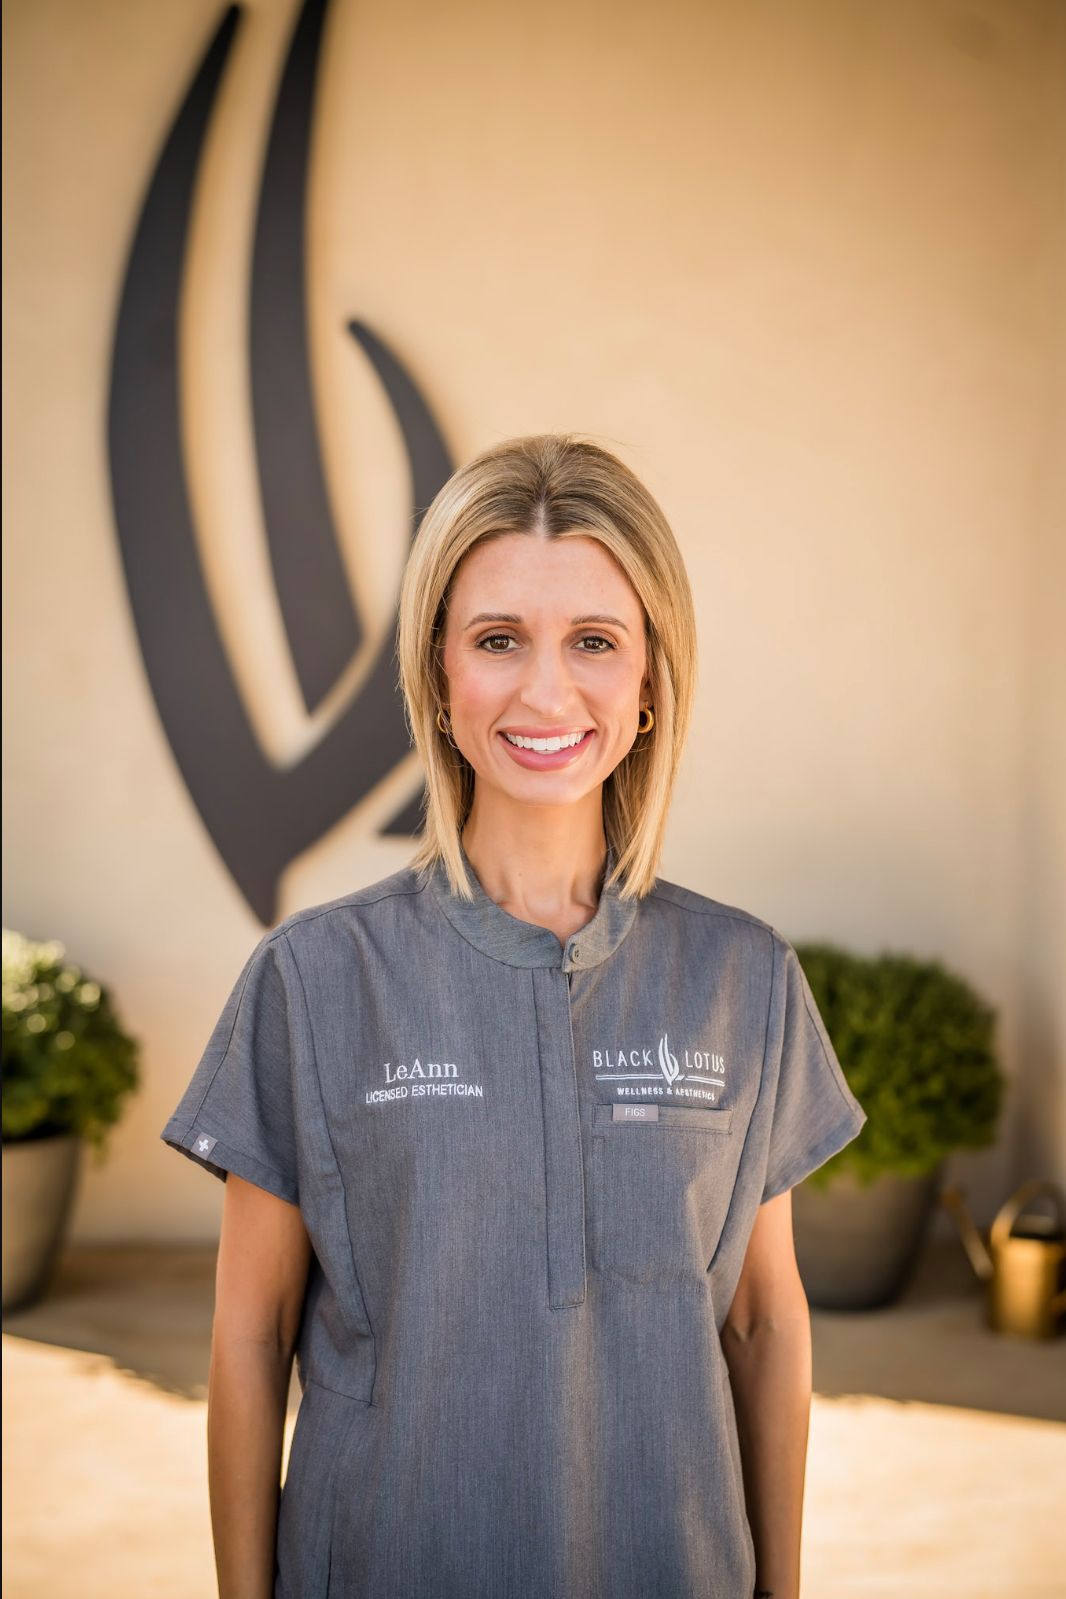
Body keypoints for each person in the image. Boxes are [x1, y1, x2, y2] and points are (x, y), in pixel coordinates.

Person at [160, 432, 867, 1599]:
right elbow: (250, 1334)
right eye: (498, 640)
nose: (546, 691)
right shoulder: (314, 979)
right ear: (439, 678)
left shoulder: (742, 978)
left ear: (650, 683)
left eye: (595, 640)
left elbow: (762, 1325)